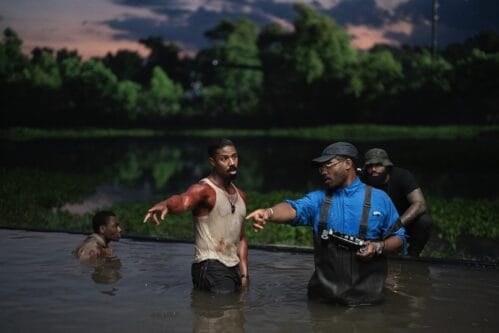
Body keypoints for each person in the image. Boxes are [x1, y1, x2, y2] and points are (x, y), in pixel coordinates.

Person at [246, 141, 406, 306]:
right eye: (321, 167)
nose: (323, 171)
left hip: (368, 303)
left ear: (347, 164)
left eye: (328, 164)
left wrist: (378, 247)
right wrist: (269, 212)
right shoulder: (318, 200)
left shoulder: (379, 199)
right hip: (323, 302)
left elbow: (399, 239)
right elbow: (293, 208)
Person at [143, 138, 249, 294]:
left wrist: (244, 273)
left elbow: (240, 238)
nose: (231, 162)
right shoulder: (204, 190)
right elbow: (183, 201)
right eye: (224, 158)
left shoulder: (241, 196)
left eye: (234, 156)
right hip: (210, 265)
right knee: (224, 311)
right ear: (212, 162)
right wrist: (167, 203)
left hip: (233, 268)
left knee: (234, 314)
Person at [362, 148, 432, 257]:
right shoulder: (362, 179)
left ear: (387, 166)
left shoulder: (402, 176)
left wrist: (396, 225)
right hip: (375, 223)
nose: (373, 169)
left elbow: (420, 204)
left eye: (378, 165)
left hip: (402, 222)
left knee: (424, 221)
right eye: (370, 166)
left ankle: (412, 256)